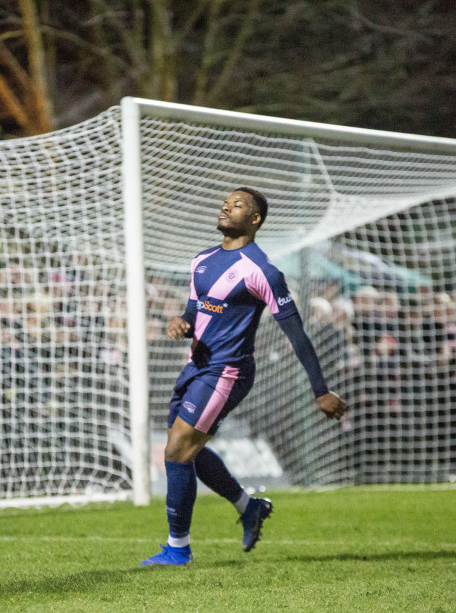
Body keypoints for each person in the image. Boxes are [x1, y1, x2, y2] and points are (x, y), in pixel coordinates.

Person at [140, 188, 347, 566]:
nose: (225, 206)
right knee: (187, 449)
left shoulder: (262, 270)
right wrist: (180, 323)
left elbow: (296, 332)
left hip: (228, 371)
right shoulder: (202, 260)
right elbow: (194, 312)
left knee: (176, 451)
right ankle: (248, 507)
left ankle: (178, 549)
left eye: (237, 205)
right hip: (197, 367)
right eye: (225, 201)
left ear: (255, 220)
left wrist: (321, 390)